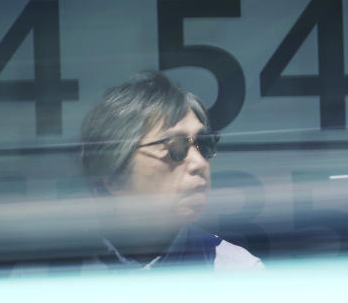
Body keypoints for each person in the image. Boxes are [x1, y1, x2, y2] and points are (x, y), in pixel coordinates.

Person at [79, 71, 262, 271]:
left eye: (204, 143)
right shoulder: (55, 270)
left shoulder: (238, 274)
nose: (199, 163)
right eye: (175, 148)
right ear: (113, 178)